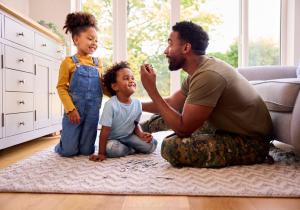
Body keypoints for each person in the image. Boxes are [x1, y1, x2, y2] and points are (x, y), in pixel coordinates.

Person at [140, 21, 273, 168]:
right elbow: (172, 103)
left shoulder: (208, 75)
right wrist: (134, 105)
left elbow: (184, 129)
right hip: (227, 127)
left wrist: (152, 90)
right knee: (165, 115)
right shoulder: (199, 70)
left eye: (170, 44)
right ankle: (134, 131)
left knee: (172, 146)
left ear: (186, 47)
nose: (166, 51)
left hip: (252, 141)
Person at [55, 12, 103, 157]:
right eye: (90, 38)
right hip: (74, 112)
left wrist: (118, 92)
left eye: (96, 40)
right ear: (76, 39)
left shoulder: (98, 63)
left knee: (86, 151)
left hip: (92, 112)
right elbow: (61, 87)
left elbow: (102, 87)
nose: (94, 43)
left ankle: (81, 141)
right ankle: (61, 144)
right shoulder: (68, 62)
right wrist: (70, 109)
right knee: (69, 152)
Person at [89, 61, 157, 161]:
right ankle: (129, 149)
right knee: (112, 149)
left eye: (132, 78)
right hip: (113, 139)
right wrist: (101, 153)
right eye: (126, 78)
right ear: (115, 86)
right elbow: (104, 131)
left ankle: (129, 148)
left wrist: (141, 134)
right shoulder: (111, 105)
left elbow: (135, 124)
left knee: (152, 145)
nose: (131, 80)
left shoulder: (137, 103)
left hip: (129, 136)